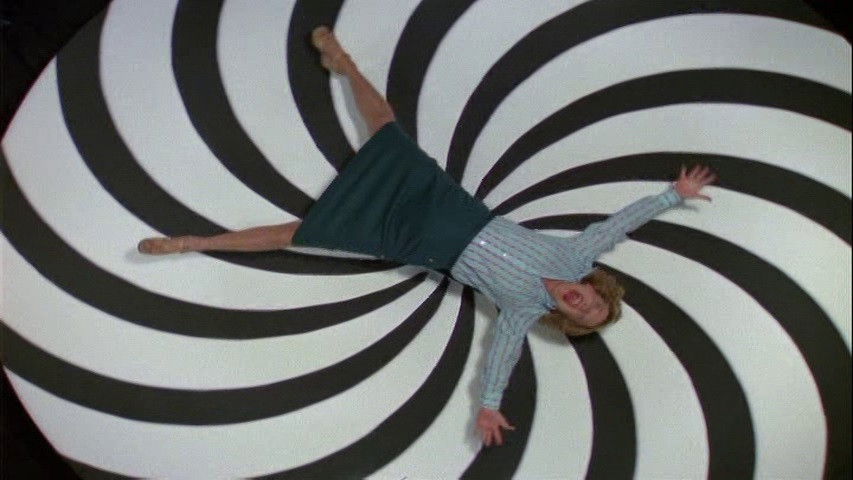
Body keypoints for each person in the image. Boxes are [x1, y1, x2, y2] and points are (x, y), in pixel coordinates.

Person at [138, 27, 716, 448]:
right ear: (593, 288)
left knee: (299, 235)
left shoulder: (521, 310)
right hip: (449, 205)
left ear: (567, 319)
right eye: (592, 301)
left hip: (416, 243)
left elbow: (501, 359)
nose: (582, 304)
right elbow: (617, 225)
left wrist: (489, 406)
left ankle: (193, 243)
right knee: (387, 128)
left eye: (581, 315)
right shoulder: (576, 255)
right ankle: (343, 61)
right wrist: (673, 195)